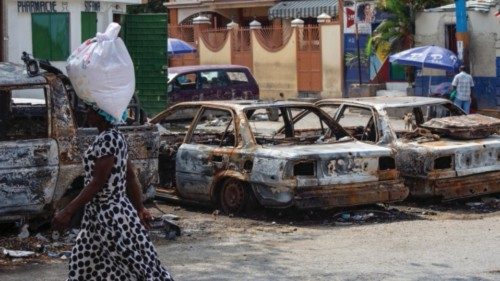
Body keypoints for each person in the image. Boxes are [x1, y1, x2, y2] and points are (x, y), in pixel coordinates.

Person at [52, 104, 173, 281]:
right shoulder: (115, 137)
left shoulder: (108, 140)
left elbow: (97, 183)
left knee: (132, 264)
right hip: (106, 214)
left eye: (92, 110)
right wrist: (139, 209)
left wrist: (67, 211)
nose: (87, 113)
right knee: (84, 262)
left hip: (108, 216)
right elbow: (130, 176)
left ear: (103, 115)